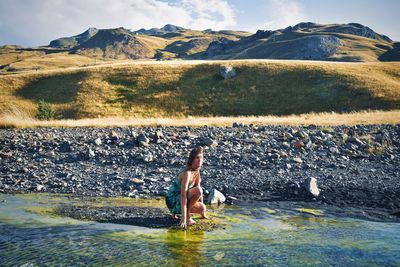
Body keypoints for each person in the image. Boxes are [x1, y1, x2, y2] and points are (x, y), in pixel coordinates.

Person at [166, 146, 209, 229]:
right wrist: (184, 218)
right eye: (197, 158)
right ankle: (186, 216)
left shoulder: (197, 171)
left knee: (203, 208)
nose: (200, 160)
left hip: (180, 200)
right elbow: (183, 195)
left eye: (201, 158)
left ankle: (178, 213)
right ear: (192, 159)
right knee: (199, 190)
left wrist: (203, 213)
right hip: (172, 201)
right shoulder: (187, 173)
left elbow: (198, 191)